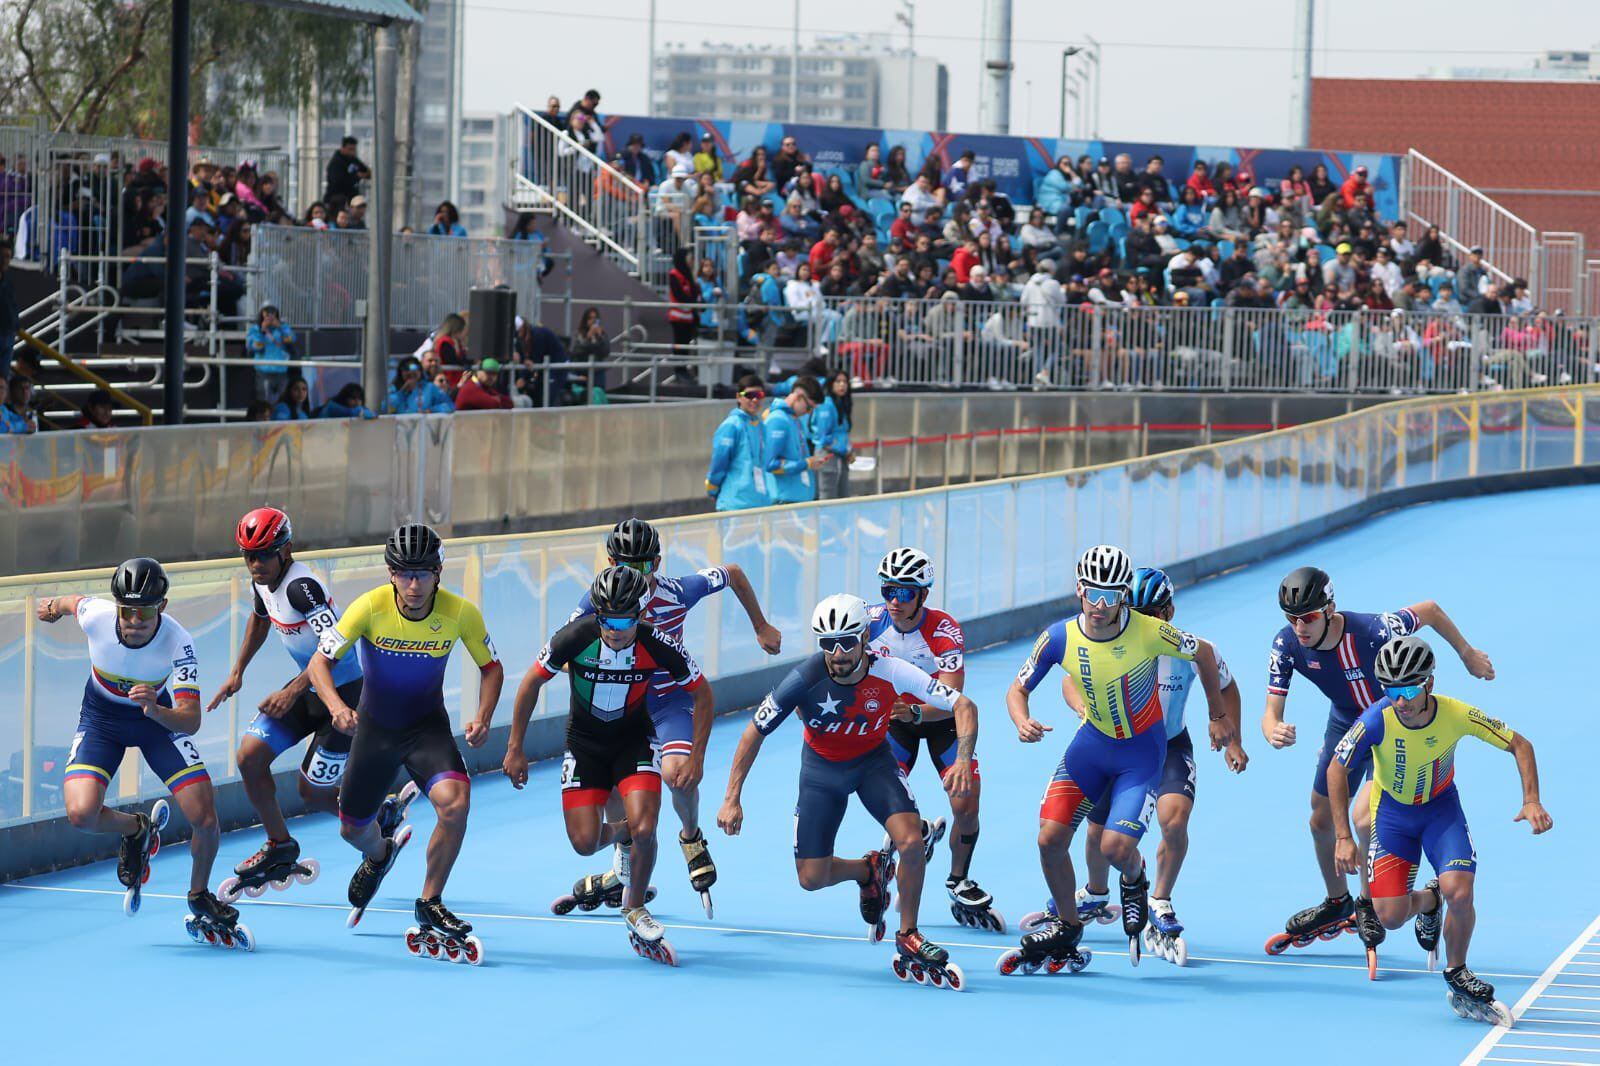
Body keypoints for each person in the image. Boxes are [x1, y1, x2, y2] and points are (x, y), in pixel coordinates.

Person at [718, 594, 979, 986]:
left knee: (910, 842)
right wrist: (731, 797)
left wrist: (962, 759)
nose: (837, 653)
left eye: (845, 642)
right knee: (811, 878)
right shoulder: (804, 678)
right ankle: (867, 870)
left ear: (863, 638)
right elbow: (754, 732)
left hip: (874, 765)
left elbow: (964, 706)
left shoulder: (892, 670)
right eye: (827, 643)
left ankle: (908, 933)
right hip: (822, 774)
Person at [1001, 545, 1229, 973]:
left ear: (1123, 595)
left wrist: (1218, 716)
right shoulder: (1058, 637)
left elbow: (1203, 652)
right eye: (1093, 594)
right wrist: (1021, 719)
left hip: (1142, 753)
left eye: (1111, 596)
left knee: (1114, 847)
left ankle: (1137, 880)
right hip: (1091, 746)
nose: (1101, 606)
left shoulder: (1148, 630)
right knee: (1049, 839)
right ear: (1079, 590)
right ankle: (1068, 926)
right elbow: (1018, 689)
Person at [1263, 566, 1496, 964]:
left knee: (1363, 817)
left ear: (1330, 609)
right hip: (1345, 724)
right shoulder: (1286, 644)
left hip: (1391, 724)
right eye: (1291, 618)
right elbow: (1270, 712)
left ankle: (1369, 904)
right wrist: (1272, 728)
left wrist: (1467, 654)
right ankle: (1338, 901)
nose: (1299, 627)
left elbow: (1432, 610)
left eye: (1309, 617)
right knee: (1320, 820)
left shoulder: (1375, 631)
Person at [560, 519, 780, 915]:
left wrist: (760, 625)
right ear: (609, 562)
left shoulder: (678, 591)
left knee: (678, 775)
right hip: (624, 709)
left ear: (657, 563)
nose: (635, 577)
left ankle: (691, 837)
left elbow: (733, 574)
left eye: (643, 568)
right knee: (612, 780)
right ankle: (626, 859)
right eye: (624, 566)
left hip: (667, 703)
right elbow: (563, 654)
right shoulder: (597, 600)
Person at [1329, 635, 1550, 1022]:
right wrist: (1344, 836)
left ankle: (1458, 970)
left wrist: (1531, 799)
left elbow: (1520, 744)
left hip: (1440, 812)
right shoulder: (1376, 719)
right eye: (1391, 689)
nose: (1400, 700)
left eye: (1410, 689)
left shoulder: (1456, 713)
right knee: (1390, 918)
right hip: (1393, 819)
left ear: (1429, 683)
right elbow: (1336, 769)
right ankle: (1429, 901)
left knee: (1460, 892)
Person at [310, 523, 503, 963]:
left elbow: (491, 668)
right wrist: (338, 706)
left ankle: (430, 901)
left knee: (456, 804)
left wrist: (483, 717)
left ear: (438, 573)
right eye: (403, 574)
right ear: (390, 574)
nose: (413, 585)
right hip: (374, 731)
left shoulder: (460, 613)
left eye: (422, 574)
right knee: (351, 829)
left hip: (425, 729)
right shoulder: (369, 607)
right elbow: (322, 664)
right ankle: (380, 854)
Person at [506, 566, 714, 964]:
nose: (613, 629)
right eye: (606, 619)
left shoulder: (658, 642)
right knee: (584, 843)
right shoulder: (575, 636)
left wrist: (696, 758)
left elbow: (702, 693)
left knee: (648, 828)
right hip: (584, 747)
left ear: (640, 615)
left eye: (623, 620)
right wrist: (516, 747)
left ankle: (634, 906)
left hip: (634, 744)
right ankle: (623, 834)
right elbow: (530, 682)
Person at [37, 559, 244, 945]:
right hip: (101, 721)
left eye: (145, 611)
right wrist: (52, 609)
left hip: (156, 723)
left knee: (206, 817)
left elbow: (191, 720)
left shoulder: (179, 641)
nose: (134, 620)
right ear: (116, 607)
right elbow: (73, 602)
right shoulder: (96, 616)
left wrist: (156, 710)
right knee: (81, 814)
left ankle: (199, 895)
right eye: (127, 610)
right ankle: (136, 830)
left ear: (161, 607)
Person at [1063, 568, 1247, 964]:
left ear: (1170, 612)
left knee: (1174, 822)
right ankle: (1096, 893)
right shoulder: (1111, 641)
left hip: (1170, 747)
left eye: (1153, 614)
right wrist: (1082, 705)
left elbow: (1228, 686)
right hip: (1118, 747)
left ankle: (1159, 900)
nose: (1144, 622)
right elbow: (1070, 676)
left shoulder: (1194, 649)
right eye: (1138, 612)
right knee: (1097, 832)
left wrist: (1232, 737)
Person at [206, 508, 384, 902]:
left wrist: (291, 691)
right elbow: (259, 618)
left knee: (312, 792)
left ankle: (375, 818)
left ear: (285, 551)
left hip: (345, 693)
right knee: (250, 758)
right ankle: (280, 846)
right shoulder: (263, 580)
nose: (255, 564)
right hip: (308, 690)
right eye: (248, 556)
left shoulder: (301, 588)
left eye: (264, 555)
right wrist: (238, 671)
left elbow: (334, 645)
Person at [868, 547, 1004, 932]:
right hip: (896, 723)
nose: (895, 601)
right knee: (882, 794)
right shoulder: (872, 622)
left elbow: (953, 703)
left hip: (939, 719)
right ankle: (920, 832)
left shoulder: (944, 630)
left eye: (905, 592)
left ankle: (958, 877)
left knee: (966, 803)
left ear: (923, 595)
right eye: (888, 590)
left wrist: (914, 712)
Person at [705, 375, 769, 511]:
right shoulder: (731, 425)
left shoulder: (760, 425)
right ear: (738, 397)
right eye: (749, 395)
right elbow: (719, 462)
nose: (755, 399)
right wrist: (712, 488)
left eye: (759, 395)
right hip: (735, 503)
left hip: (760, 502)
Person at [763, 373, 827, 504]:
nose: (809, 413)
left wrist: (809, 463)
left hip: (797, 499)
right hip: (784, 501)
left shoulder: (794, 419)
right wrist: (806, 464)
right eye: (809, 407)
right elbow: (770, 464)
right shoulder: (778, 420)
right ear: (797, 397)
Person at [809, 369, 852, 499]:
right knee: (827, 497)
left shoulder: (841, 404)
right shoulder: (825, 405)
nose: (842, 385)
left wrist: (849, 450)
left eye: (845, 382)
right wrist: (844, 450)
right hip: (827, 458)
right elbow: (823, 438)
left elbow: (842, 433)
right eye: (838, 381)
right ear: (831, 384)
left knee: (841, 497)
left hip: (841, 457)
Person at [387, 357, 454, 414]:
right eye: (406, 368)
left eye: (414, 367)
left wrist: (432, 410)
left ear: (420, 371)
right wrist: (401, 393)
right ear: (401, 372)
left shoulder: (430, 388)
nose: (411, 372)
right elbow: (384, 409)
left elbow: (450, 406)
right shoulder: (393, 390)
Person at [324, 136, 370, 204]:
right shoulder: (336, 163)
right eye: (350, 149)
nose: (352, 152)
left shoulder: (353, 160)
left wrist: (364, 174)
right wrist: (356, 176)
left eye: (354, 149)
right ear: (343, 148)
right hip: (337, 199)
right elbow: (339, 181)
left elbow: (365, 170)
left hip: (352, 198)